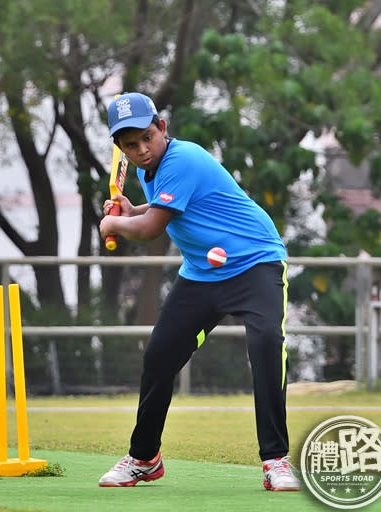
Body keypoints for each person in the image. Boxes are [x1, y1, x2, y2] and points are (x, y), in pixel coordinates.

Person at [97, 92, 299, 491]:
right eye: (130, 145)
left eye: (147, 138)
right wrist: (132, 210)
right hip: (203, 274)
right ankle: (144, 458)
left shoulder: (182, 158)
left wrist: (113, 226)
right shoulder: (148, 169)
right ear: (119, 147)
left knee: (265, 347)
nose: (141, 150)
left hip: (256, 262)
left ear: (162, 128)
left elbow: (153, 229)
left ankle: (276, 460)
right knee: (158, 358)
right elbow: (162, 211)